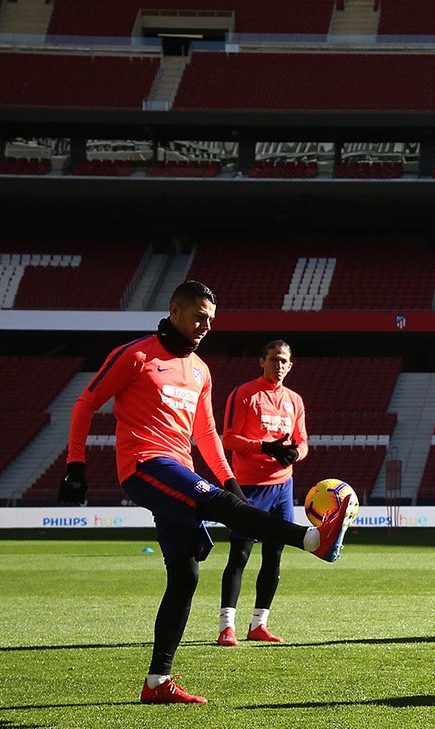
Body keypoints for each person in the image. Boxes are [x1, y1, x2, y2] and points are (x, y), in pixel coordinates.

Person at [59, 281, 351, 705]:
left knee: (187, 574)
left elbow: (207, 433)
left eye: (211, 321)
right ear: (174, 310)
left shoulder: (200, 370)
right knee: (220, 508)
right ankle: (312, 539)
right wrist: (75, 465)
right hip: (145, 463)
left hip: (180, 466)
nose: (205, 327)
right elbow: (85, 403)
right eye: (199, 317)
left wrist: (229, 480)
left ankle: (157, 683)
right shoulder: (136, 355)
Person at [216, 340, 308, 647]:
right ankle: (226, 626)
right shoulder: (244, 394)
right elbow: (228, 438)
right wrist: (264, 447)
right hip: (250, 487)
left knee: (274, 556)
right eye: (273, 360)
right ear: (261, 361)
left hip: (283, 487)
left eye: (284, 361)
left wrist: (294, 455)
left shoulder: (294, 400)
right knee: (240, 554)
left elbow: (303, 442)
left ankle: (259, 624)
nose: (279, 365)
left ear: (290, 365)